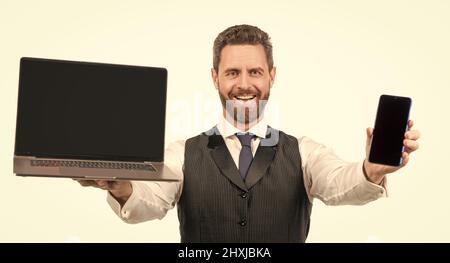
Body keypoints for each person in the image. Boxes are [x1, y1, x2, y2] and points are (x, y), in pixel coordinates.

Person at [77, 24, 420, 242]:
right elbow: (148, 202)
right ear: (215, 77)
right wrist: (119, 185)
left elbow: (339, 183)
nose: (244, 84)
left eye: (255, 71)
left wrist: (372, 169)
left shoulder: (304, 152)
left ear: (272, 76)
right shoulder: (183, 152)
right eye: (232, 73)